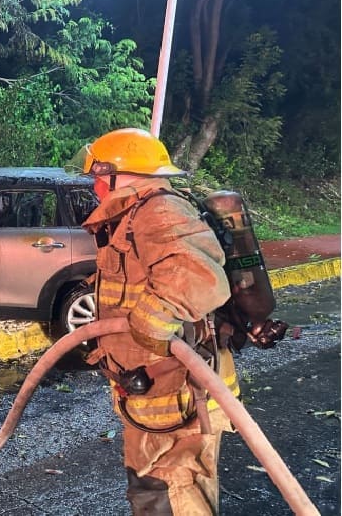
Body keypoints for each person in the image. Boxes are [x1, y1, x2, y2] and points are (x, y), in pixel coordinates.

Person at [79, 128, 239, 515]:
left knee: (174, 492)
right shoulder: (134, 214)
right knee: (154, 490)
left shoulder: (158, 210)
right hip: (155, 393)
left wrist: (147, 323)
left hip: (179, 396)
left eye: (98, 177)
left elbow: (200, 277)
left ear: (118, 175)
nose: (96, 187)